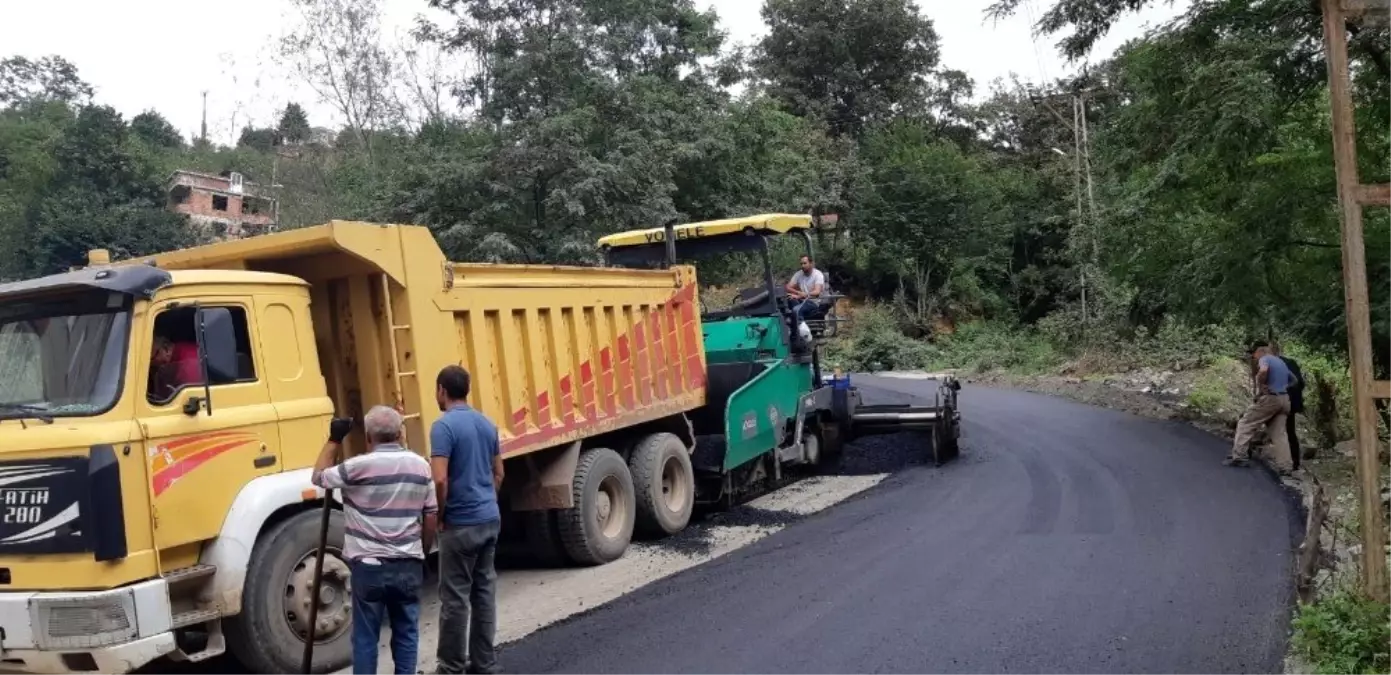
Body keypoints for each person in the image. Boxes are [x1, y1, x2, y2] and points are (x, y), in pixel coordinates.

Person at [312, 406, 438, 675]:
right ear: (400, 433)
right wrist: (422, 552)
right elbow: (430, 515)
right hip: (408, 564)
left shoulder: (357, 467)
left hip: (369, 568)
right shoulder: (421, 466)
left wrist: (335, 439)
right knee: (406, 632)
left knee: (366, 638)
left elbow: (319, 477)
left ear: (369, 437)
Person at [431, 365, 505, 675]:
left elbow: (440, 480)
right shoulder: (487, 424)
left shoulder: (443, 427)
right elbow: (499, 472)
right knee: (484, 592)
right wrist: (488, 501)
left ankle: (450, 667)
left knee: (455, 599)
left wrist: (441, 516)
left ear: (441, 391)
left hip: (460, 524)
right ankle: (484, 663)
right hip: (489, 518)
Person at [1225, 341, 1296, 475]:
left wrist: (1261, 384)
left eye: (1254, 353)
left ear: (1261, 351)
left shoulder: (1265, 358)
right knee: (1279, 434)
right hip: (1284, 400)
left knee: (1245, 423)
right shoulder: (1280, 362)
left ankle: (1239, 456)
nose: (1254, 357)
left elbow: (1263, 371)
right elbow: (1294, 380)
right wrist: (1283, 388)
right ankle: (1286, 466)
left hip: (1270, 399)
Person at [1274, 343, 1306, 471]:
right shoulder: (1291, 362)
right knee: (1290, 431)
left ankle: (1285, 462)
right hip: (1292, 402)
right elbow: (1301, 383)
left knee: (1279, 432)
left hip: (1279, 400)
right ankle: (1295, 462)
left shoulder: (1273, 364)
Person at [785, 255, 826, 324]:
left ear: (811, 263)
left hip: (812, 302)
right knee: (789, 300)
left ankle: (801, 332)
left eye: (805, 263)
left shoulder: (818, 275)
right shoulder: (799, 274)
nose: (802, 266)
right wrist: (798, 293)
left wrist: (804, 294)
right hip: (801, 300)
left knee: (796, 310)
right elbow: (787, 287)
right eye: (801, 264)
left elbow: (817, 291)